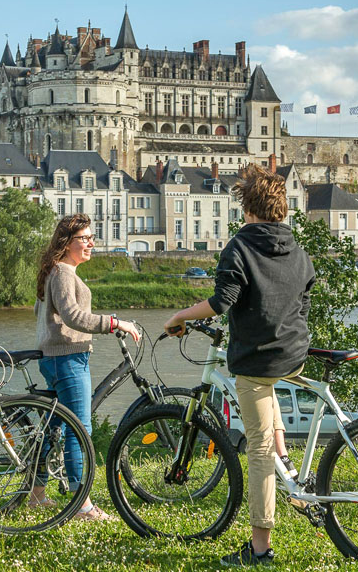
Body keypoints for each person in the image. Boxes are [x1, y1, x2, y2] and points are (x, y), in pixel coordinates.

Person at [164, 164, 315, 567]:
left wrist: (180, 315)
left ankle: (260, 548)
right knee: (270, 405)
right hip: (294, 351)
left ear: (247, 208)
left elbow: (221, 302)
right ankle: (290, 468)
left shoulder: (240, 246)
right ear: (281, 208)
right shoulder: (297, 248)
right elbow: (304, 298)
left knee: (258, 449)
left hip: (256, 358)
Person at [32, 213, 140, 521]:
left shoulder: (55, 271)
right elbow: (74, 317)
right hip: (67, 358)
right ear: (67, 243)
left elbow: (44, 315)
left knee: (55, 429)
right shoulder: (64, 273)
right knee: (80, 429)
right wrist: (114, 322)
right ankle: (81, 505)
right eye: (85, 238)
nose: (91, 243)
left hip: (53, 357)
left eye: (92, 237)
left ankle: (37, 496)